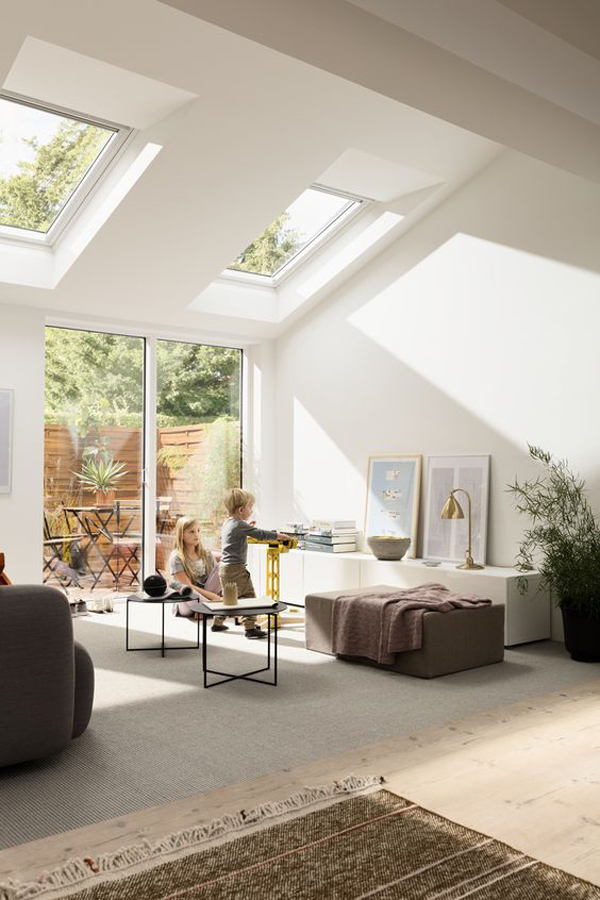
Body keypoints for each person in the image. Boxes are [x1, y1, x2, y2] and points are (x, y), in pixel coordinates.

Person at [220, 488, 289, 640]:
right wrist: (278, 535)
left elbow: (239, 532)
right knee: (249, 597)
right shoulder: (239, 525)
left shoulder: (228, 523)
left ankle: (218, 622)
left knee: (229, 597)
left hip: (224, 568)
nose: (251, 510)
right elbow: (260, 534)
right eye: (250, 507)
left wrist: (246, 526)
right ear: (241, 509)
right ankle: (250, 628)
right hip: (237, 569)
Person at [168, 516, 227, 631]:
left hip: (207, 594)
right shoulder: (176, 557)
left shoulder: (206, 554)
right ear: (181, 535)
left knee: (222, 566)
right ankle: (214, 607)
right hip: (188, 603)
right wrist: (214, 599)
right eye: (191, 531)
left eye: (198, 531)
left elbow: (217, 580)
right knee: (184, 588)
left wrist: (215, 596)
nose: (197, 535)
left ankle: (206, 609)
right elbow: (188, 586)